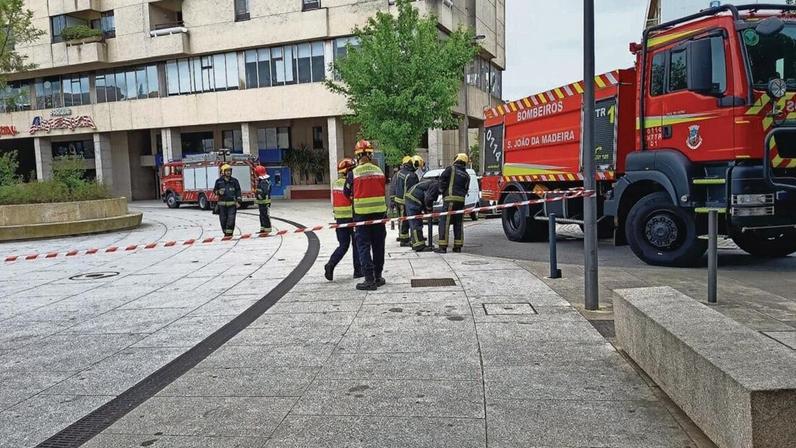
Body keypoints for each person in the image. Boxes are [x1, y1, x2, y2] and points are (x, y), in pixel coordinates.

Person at [344, 139, 387, 291]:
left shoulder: (353, 174)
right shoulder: (379, 171)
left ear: (357, 156)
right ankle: (378, 276)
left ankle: (369, 280)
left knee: (363, 247)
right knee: (378, 246)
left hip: (362, 217)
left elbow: (346, 193)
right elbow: (383, 190)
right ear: (370, 154)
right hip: (379, 216)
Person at [325, 158, 362, 281]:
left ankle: (331, 264)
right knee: (356, 244)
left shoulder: (335, 183)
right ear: (348, 171)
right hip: (351, 218)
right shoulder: (350, 182)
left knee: (343, 245)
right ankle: (358, 271)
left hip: (340, 220)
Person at [435, 153, 470, 253]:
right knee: (458, 223)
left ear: (456, 159)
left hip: (450, 200)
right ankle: (457, 246)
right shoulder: (467, 175)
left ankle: (442, 247)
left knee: (444, 222)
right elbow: (466, 189)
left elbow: (442, 180)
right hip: (461, 201)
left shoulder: (450, 169)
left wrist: (441, 191)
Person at [405, 178, 440, 252]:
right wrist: (429, 209)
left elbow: (425, 197)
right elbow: (428, 198)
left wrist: (426, 210)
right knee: (416, 223)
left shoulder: (432, 183)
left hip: (412, 198)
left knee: (416, 222)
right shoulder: (436, 185)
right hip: (413, 199)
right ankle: (419, 246)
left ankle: (416, 243)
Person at [393, 155, 419, 247]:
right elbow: (412, 190)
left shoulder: (400, 173)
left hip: (398, 199)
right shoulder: (411, 176)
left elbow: (395, 186)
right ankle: (404, 240)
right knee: (405, 220)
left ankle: (403, 236)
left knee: (402, 219)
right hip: (404, 201)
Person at [213, 163, 242, 237]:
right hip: (222, 205)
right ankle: (225, 232)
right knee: (223, 220)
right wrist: (218, 192)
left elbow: (238, 191)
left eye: (229, 171)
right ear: (223, 172)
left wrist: (239, 201)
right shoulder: (218, 181)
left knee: (231, 219)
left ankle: (229, 233)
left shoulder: (234, 181)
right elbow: (214, 191)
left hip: (232, 204)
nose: (229, 172)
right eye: (227, 171)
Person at [254, 165, 272, 234]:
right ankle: (263, 228)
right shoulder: (262, 180)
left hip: (265, 202)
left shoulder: (264, 181)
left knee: (265, 215)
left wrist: (259, 195)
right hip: (261, 202)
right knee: (262, 215)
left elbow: (265, 191)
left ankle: (267, 229)